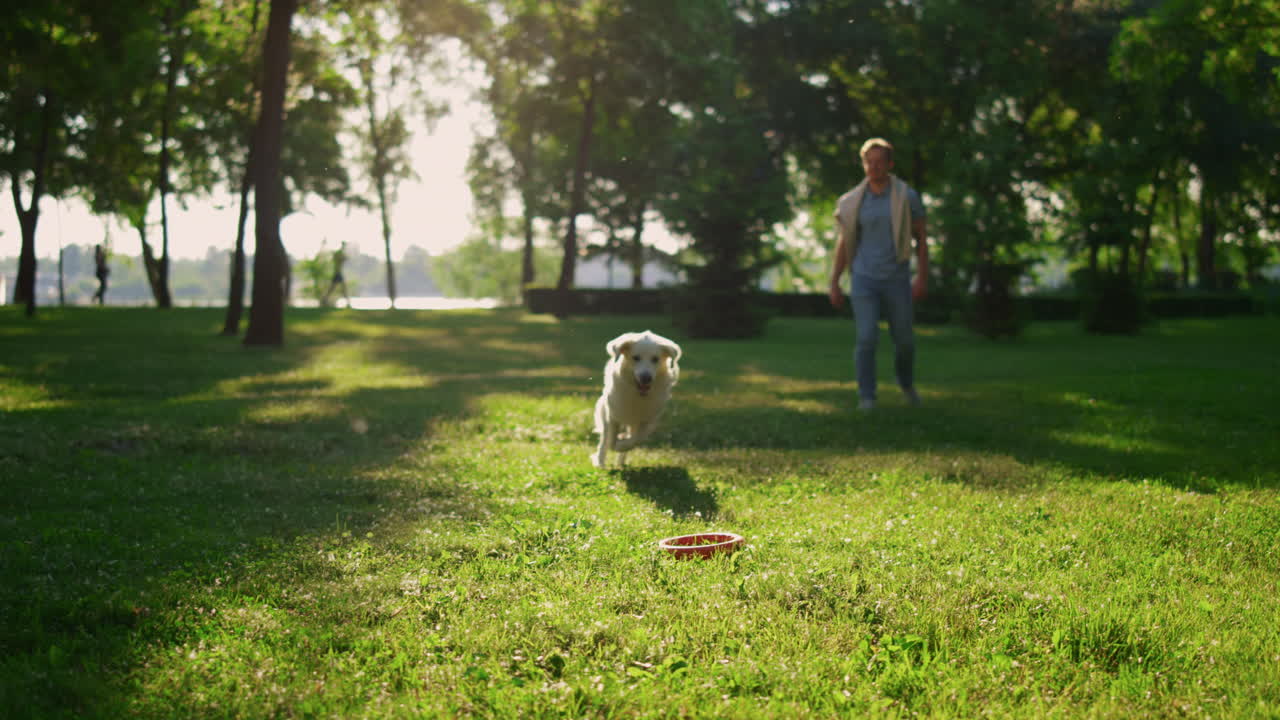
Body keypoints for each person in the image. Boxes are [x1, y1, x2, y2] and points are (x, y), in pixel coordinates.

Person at [828, 138, 929, 411]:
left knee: (904, 341)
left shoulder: (907, 196)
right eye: (868, 162)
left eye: (878, 161)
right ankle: (867, 396)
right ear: (863, 164)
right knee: (866, 338)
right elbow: (845, 243)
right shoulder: (852, 202)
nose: (873, 167)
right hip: (863, 278)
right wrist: (835, 281)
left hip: (896, 277)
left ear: (889, 164)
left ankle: (906, 384)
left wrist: (921, 276)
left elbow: (921, 237)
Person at [323, 242, 349, 306]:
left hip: (339, 273)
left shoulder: (340, 253)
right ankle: (324, 300)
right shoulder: (338, 253)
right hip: (337, 273)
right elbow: (339, 258)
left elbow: (345, 258)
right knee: (335, 289)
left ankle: (324, 300)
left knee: (340, 288)